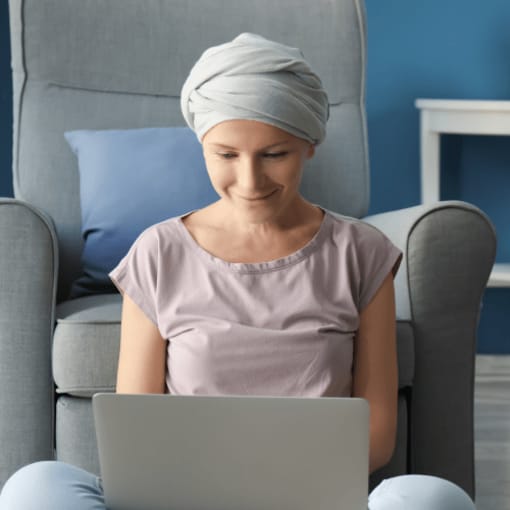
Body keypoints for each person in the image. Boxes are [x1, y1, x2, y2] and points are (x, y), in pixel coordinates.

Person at [0, 33, 475, 510]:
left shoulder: (362, 252)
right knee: (34, 487)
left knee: (431, 497)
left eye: (274, 154)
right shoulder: (158, 251)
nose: (250, 181)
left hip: (313, 496)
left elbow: (377, 435)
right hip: (181, 496)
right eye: (226, 155)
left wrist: (276, 483)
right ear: (202, 146)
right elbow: (136, 426)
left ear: (310, 145)